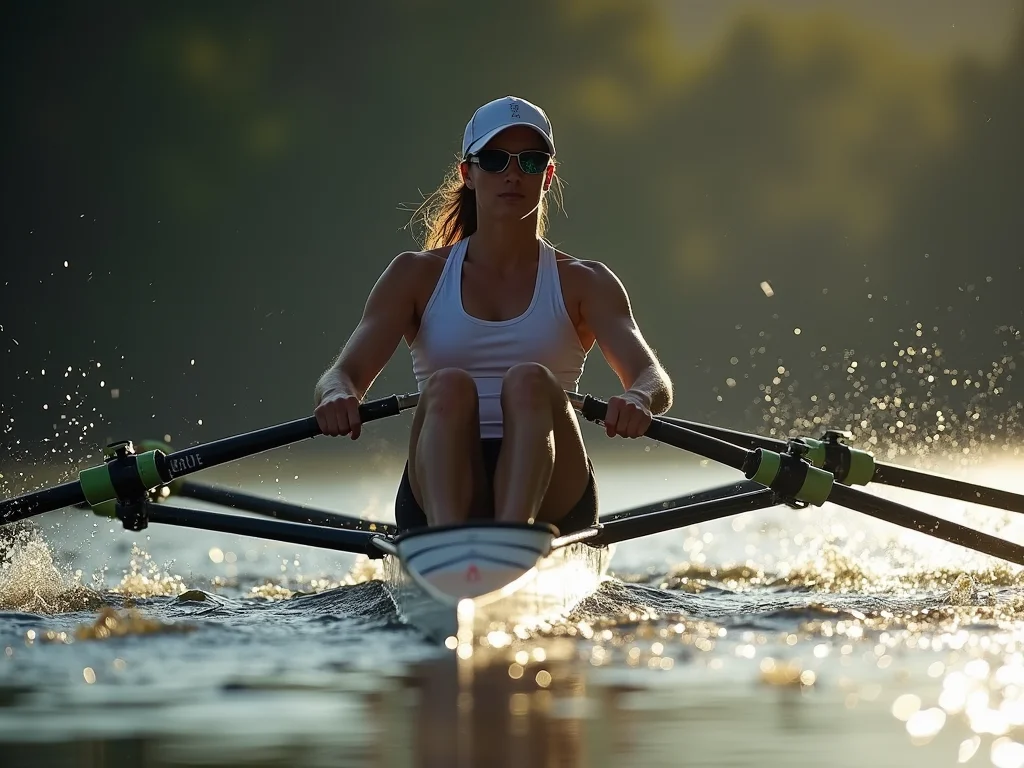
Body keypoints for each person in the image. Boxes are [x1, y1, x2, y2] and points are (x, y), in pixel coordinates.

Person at [313, 95, 672, 534]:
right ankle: (452, 546)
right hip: (443, 476)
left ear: (548, 175)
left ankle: (509, 539)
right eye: (495, 159)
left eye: (531, 161)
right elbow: (342, 375)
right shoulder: (415, 275)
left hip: (553, 490)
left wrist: (637, 398)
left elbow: (652, 377)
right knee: (448, 385)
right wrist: (335, 396)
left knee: (530, 380)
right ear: (468, 172)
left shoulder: (585, 282)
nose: (513, 174)